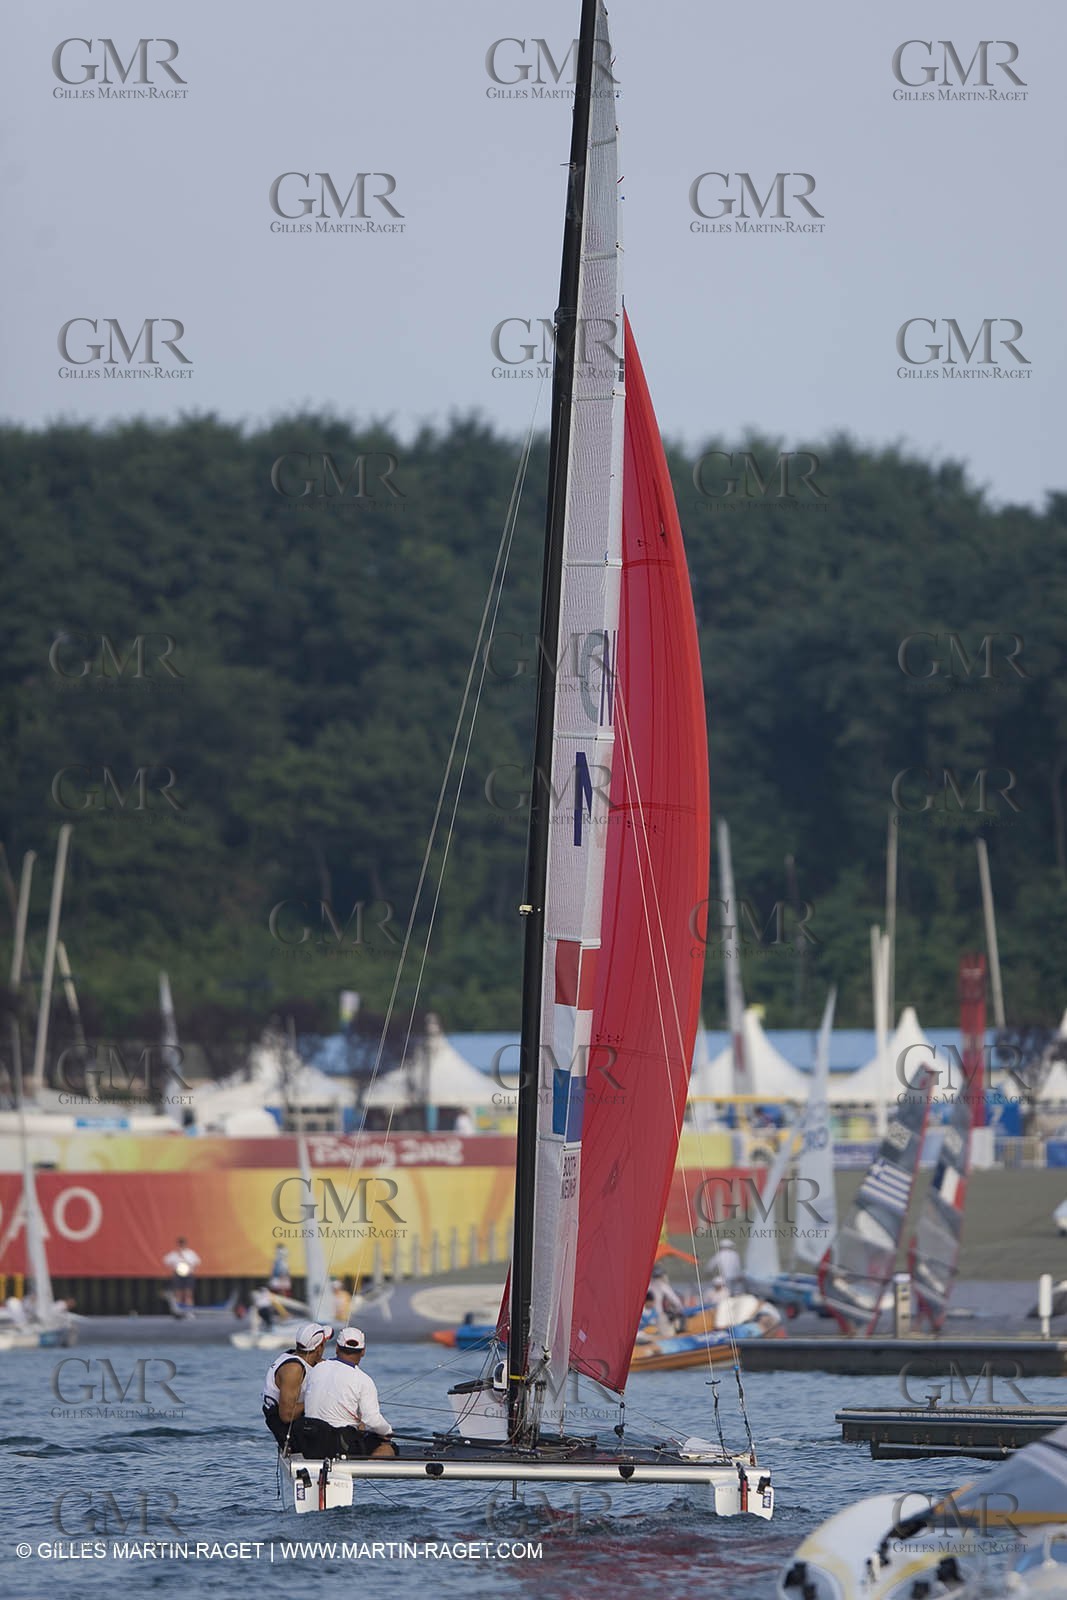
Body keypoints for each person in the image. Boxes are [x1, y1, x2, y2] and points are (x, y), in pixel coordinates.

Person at [302, 1327, 398, 1459]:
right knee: (388, 1447)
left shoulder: (316, 1369)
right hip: (339, 1444)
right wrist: (388, 1432)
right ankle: (364, 1471)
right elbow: (373, 1420)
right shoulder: (364, 1380)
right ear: (363, 1351)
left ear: (337, 1347)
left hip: (310, 1440)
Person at [262, 1321, 333, 1452]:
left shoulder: (300, 1357)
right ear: (318, 1349)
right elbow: (287, 1415)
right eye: (324, 1344)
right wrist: (317, 1398)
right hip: (284, 1426)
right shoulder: (293, 1369)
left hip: (295, 1421)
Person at [162, 1236, 201, 1313]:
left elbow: (197, 1261)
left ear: (185, 1244)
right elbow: (165, 1261)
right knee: (178, 1294)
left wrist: (185, 1259)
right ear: (178, 1244)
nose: (181, 1245)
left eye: (183, 1244)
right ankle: (178, 1311)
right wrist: (173, 1266)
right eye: (180, 1244)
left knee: (188, 1294)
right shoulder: (174, 1253)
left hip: (188, 1274)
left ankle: (189, 1312)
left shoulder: (190, 1253)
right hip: (178, 1274)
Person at [646, 1264, 685, 1337]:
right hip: (658, 1317)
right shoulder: (662, 1285)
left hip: (646, 1318)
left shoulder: (646, 1285)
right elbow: (676, 1301)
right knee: (669, 1335)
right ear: (661, 1276)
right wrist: (679, 1310)